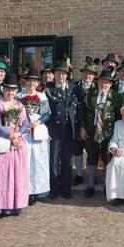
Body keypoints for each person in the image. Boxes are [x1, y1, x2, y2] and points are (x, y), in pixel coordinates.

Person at [0, 73, 30, 216]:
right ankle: (1, 205)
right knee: (3, 174)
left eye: (13, 90)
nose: (10, 92)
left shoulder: (19, 104)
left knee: (17, 174)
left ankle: (16, 203)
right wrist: (9, 135)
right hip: (3, 142)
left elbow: (25, 122)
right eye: (7, 89)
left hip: (17, 142)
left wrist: (18, 134)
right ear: (3, 89)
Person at [79, 69, 121, 198]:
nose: (104, 84)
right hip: (91, 131)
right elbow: (82, 112)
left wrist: (117, 134)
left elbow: (119, 116)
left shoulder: (116, 96)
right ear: (98, 82)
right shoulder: (90, 93)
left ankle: (107, 186)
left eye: (107, 82)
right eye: (102, 81)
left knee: (107, 159)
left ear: (111, 84)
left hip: (108, 133)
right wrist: (82, 127)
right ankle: (90, 185)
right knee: (92, 158)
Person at [45, 61, 81, 199]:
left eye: (64, 74)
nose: (61, 76)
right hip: (54, 130)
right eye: (59, 73)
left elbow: (79, 109)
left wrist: (79, 128)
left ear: (67, 75)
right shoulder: (48, 89)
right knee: (53, 162)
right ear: (54, 75)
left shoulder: (74, 88)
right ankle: (53, 189)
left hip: (69, 130)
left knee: (67, 161)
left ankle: (66, 189)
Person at [18, 68, 51, 205]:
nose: (32, 83)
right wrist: (26, 124)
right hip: (24, 131)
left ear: (37, 83)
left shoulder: (42, 96)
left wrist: (37, 122)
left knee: (38, 161)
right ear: (25, 82)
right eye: (29, 80)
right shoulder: (19, 96)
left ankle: (38, 190)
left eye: (34, 81)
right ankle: (25, 191)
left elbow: (47, 113)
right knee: (25, 161)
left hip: (38, 129)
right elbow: (15, 113)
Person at [73, 64, 96, 186]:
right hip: (77, 124)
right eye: (86, 73)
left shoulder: (97, 88)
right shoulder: (74, 87)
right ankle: (79, 174)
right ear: (82, 74)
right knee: (77, 150)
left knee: (91, 152)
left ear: (93, 76)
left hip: (92, 126)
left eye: (90, 74)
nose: (88, 76)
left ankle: (92, 176)